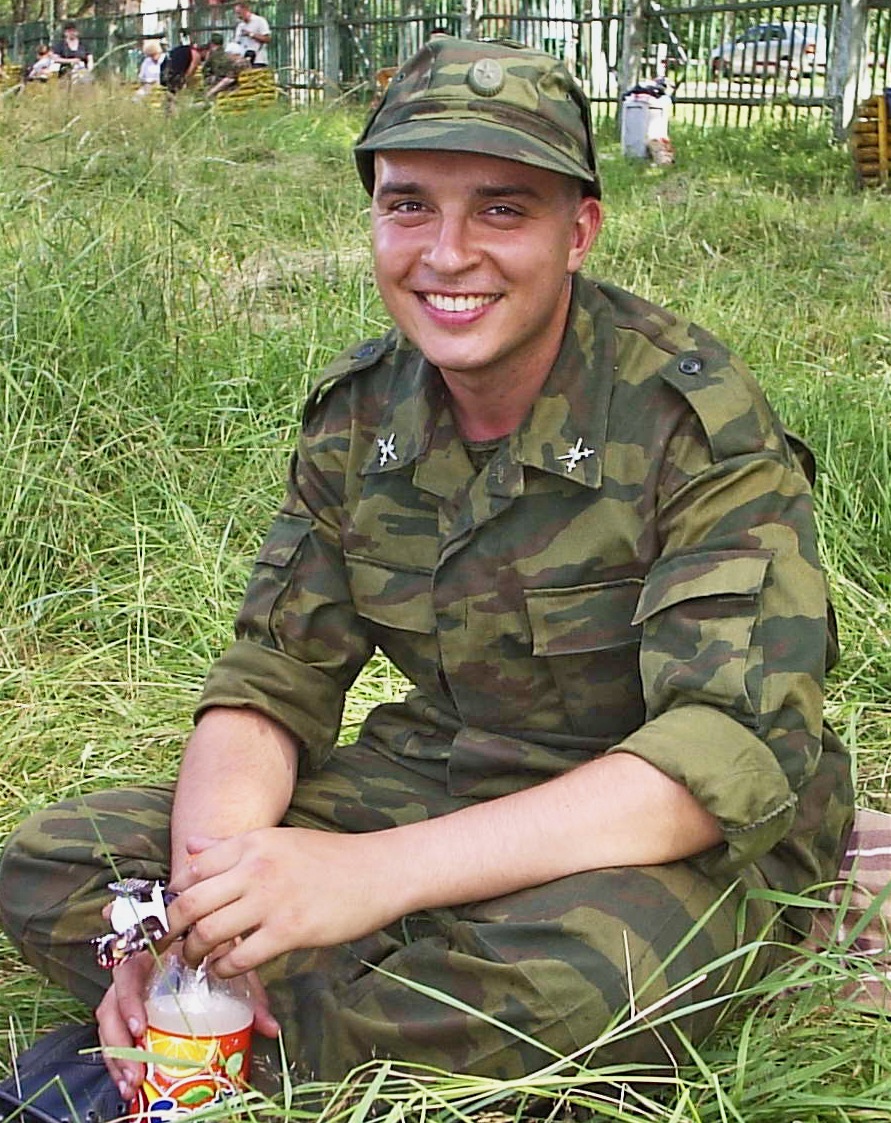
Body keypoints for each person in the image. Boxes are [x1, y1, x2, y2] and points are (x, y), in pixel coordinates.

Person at [0, 35, 853, 1102]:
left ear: (578, 231)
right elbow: (274, 675)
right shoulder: (363, 414)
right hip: (443, 774)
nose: (448, 254)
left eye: (502, 210)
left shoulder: (693, 425)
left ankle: (225, 1045)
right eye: (409, 205)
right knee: (55, 857)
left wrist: (366, 878)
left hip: (662, 827)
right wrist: (200, 928)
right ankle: (250, 1012)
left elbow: (720, 757)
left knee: (573, 986)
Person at [202, 32, 241, 99]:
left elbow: (205, 71)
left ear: (211, 44)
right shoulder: (228, 55)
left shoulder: (213, 56)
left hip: (218, 88)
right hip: (233, 88)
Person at [233, 1, 270, 66]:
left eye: (239, 13)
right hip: (244, 61)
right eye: (236, 14)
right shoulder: (240, 26)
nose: (238, 16)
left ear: (246, 10)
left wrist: (251, 34)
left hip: (258, 60)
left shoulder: (260, 21)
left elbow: (267, 39)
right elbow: (237, 42)